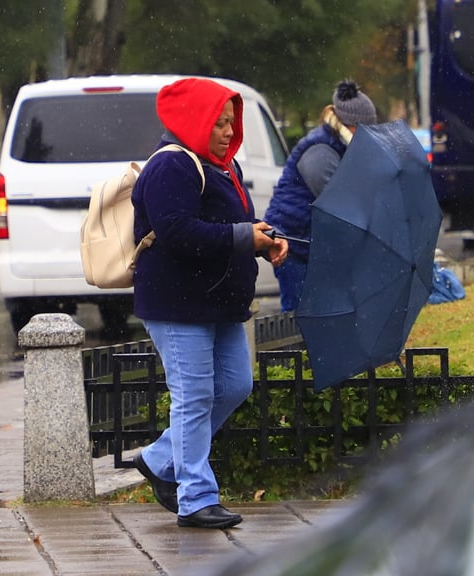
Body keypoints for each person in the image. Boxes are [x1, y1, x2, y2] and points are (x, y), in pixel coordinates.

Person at [130, 77, 288, 529]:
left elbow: (228, 223)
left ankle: (161, 459)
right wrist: (244, 236)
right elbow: (178, 231)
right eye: (218, 123)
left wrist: (261, 237)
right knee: (194, 396)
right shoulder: (171, 167)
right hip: (178, 304)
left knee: (235, 385)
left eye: (230, 122)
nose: (227, 131)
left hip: (218, 302)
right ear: (194, 121)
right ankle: (195, 498)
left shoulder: (223, 165)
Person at [264, 79, 377, 312]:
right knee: (301, 321)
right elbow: (338, 204)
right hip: (294, 246)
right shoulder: (320, 150)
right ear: (352, 125)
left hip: (313, 247)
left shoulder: (341, 147)